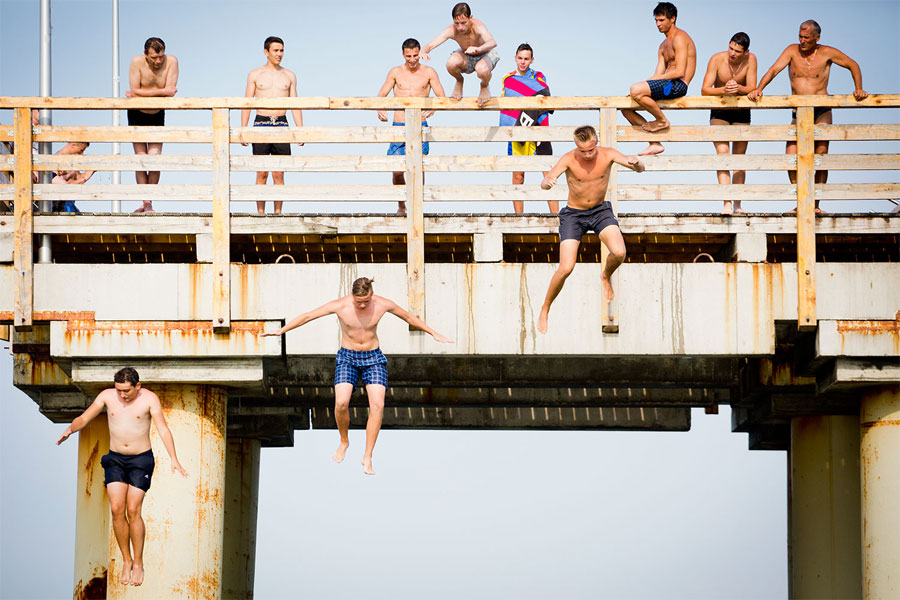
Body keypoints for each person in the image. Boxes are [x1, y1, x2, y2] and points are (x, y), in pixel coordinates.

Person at [262, 277, 453, 475]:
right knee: (341, 403)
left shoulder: (383, 304)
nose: (362, 305)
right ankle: (344, 441)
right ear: (352, 296)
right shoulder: (340, 306)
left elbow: (408, 317)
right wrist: (282, 330)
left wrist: (433, 333)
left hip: (373, 357)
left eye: (366, 301)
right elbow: (308, 316)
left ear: (372, 294)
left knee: (378, 405)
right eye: (358, 301)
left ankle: (368, 455)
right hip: (347, 357)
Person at [56, 367, 188, 587]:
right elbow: (85, 417)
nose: (122, 395)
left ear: (138, 386)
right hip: (116, 459)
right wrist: (70, 429)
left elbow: (163, 429)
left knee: (133, 509)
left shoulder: (149, 399)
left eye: (126, 391)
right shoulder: (107, 396)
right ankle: (126, 560)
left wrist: (174, 458)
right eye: (119, 390)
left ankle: (138, 561)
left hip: (140, 460)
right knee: (117, 509)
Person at [748, 19, 867, 213]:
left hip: (821, 110)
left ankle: (816, 205)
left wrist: (859, 88)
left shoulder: (827, 52)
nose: (802, 41)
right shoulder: (791, 51)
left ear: (817, 38)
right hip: (798, 110)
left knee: (820, 158)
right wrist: (758, 89)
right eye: (800, 37)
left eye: (807, 38)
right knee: (791, 157)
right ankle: (801, 203)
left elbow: (852, 64)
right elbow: (773, 70)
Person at [536, 126, 646, 334]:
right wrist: (547, 183)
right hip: (573, 215)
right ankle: (545, 307)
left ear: (596, 141)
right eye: (582, 151)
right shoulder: (569, 158)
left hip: (599, 212)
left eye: (590, 150)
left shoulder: (609, 154)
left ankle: (605, 275)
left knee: (620, 252)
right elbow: (546, 181)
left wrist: (637, 163)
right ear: (576, 145)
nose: (587, 155)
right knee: (566, 268)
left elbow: (640, 169)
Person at [376, 38, 446, 214]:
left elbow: (441, 96)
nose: (413, 59)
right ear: (403, 54)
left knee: (418, 166)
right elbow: (381, 94)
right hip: (399, 123)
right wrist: (380, 108)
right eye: (409, 56)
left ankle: (416, 206)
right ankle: (401, 204)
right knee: (397, 169)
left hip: (420, 123)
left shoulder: (429, 72)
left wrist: (433, 107)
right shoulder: (395, 72)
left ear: (420, 53)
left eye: (416, 55)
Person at [240, 36, 304, 215]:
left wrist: (299, 130)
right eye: (276, 50)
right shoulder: (255, 74)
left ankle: (278, 214)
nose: (279, 54)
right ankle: (260, 213)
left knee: (279, 173)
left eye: (282, 50)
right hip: (261, 122)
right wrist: (243, 129)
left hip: (282, 123)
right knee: (262, 173)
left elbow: (295, 103)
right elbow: (247, 102)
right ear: (266, 52)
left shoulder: (289, 75)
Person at [622, 2, 696, 156]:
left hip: (679, 84)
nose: (657, 24)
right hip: (667, 82)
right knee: (626, 108)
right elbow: (658, 74)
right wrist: (644, 85)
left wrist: (641, 87)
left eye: (661, 20)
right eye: (656, 20)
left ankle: (662, 121)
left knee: (636, 89)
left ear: (673, 19)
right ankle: (654, 143)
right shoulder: (663, 45)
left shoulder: (680, 38)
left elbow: (680, 71)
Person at [700, 32, 757, 214]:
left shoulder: (751, 60)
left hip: (741, 111)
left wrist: (739, 88)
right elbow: (705, 90)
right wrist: (724, 89)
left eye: (737, 51)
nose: (732, 53)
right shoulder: (717, 59)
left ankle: (738, 204)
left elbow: (752, 87)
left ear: (746, 52)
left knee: (739, 159)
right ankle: (726, 203)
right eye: (731, 48)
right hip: (720, 110)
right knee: (723, 155)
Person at [500, 43, 557, 214]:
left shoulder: (539, 77)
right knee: (518, 175)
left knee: (548, 172)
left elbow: (543, 94)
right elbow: (508, 101)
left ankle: (556, 216)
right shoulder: (508, 78)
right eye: (520, 58)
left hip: (538, 126)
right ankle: (518, 217)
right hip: (517, 127)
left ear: (532, 60)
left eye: (526, 59)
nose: (523, 62)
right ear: (515, 58)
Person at [126, 37, 178, 213]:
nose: (158, 61)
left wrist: (142, 93)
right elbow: (134, 90)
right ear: (145, 55)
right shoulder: (137, 62)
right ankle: (146, 202)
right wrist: (161, 91)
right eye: (154, 58)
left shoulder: (171, 61)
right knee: (141, 159)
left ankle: (149, 201)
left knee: (154, 159)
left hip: (157, 114)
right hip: (136, 113)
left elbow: (171, 91)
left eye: (160, 57)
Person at [421, 2, 498, 107]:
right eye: (456, 23)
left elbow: (492, 42)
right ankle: (459, 80)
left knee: (481, 69)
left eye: (463, 23)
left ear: (470, 18)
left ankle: (484, 85)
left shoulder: (478, 26)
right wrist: (424, 51)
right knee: (451, 63)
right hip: (467, 55)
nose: (460, 27)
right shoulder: (451, 30)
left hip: (485, 54)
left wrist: (478, 49)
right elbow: (431, 44)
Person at [50, 141, 95, 213]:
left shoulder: (71, 160)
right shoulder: (57, 160)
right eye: (81, 151)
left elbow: (76, 178)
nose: (82, 154)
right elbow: (63, 185)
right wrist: (85, 177)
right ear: (73, 145)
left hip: (69, 202)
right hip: (60, 205)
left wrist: (89, 172)